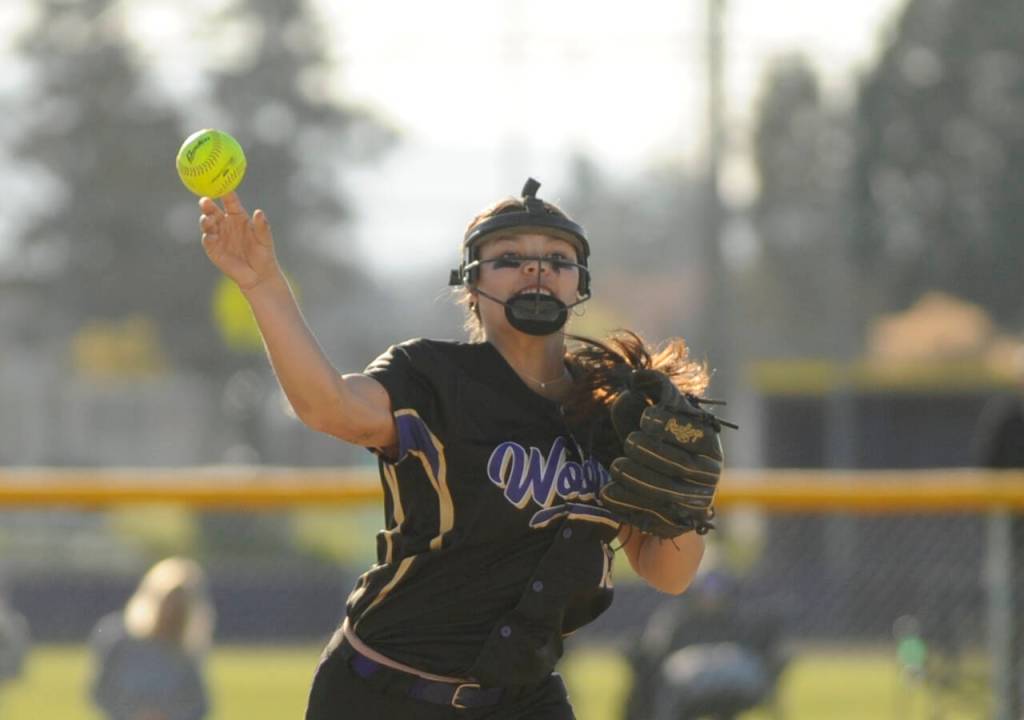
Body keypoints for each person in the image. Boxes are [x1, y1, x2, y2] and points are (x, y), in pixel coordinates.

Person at [197, 177, 721, 719]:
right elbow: (328, 406)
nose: (536, 268)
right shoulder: (433, 377)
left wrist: (685, 498)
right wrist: (262, 283)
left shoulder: (613, 406)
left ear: (579, 284)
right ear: (471, 284)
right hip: (383, 693)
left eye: (557, 259)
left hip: (522, 698)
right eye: (510, 256)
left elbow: (670, 574)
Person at [90, 556, 215, 720]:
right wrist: (135, 714)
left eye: (179, 607)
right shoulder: (117, 639)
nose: (171, 613)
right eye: (168, 603)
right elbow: (101, 693)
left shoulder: (185, 651)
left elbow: (199, 705)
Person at [972, 347, 1024, 719]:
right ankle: (1009, 707)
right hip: (1013, 548)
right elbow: (985, 471)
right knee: (1011, 633)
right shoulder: (1008, 416)